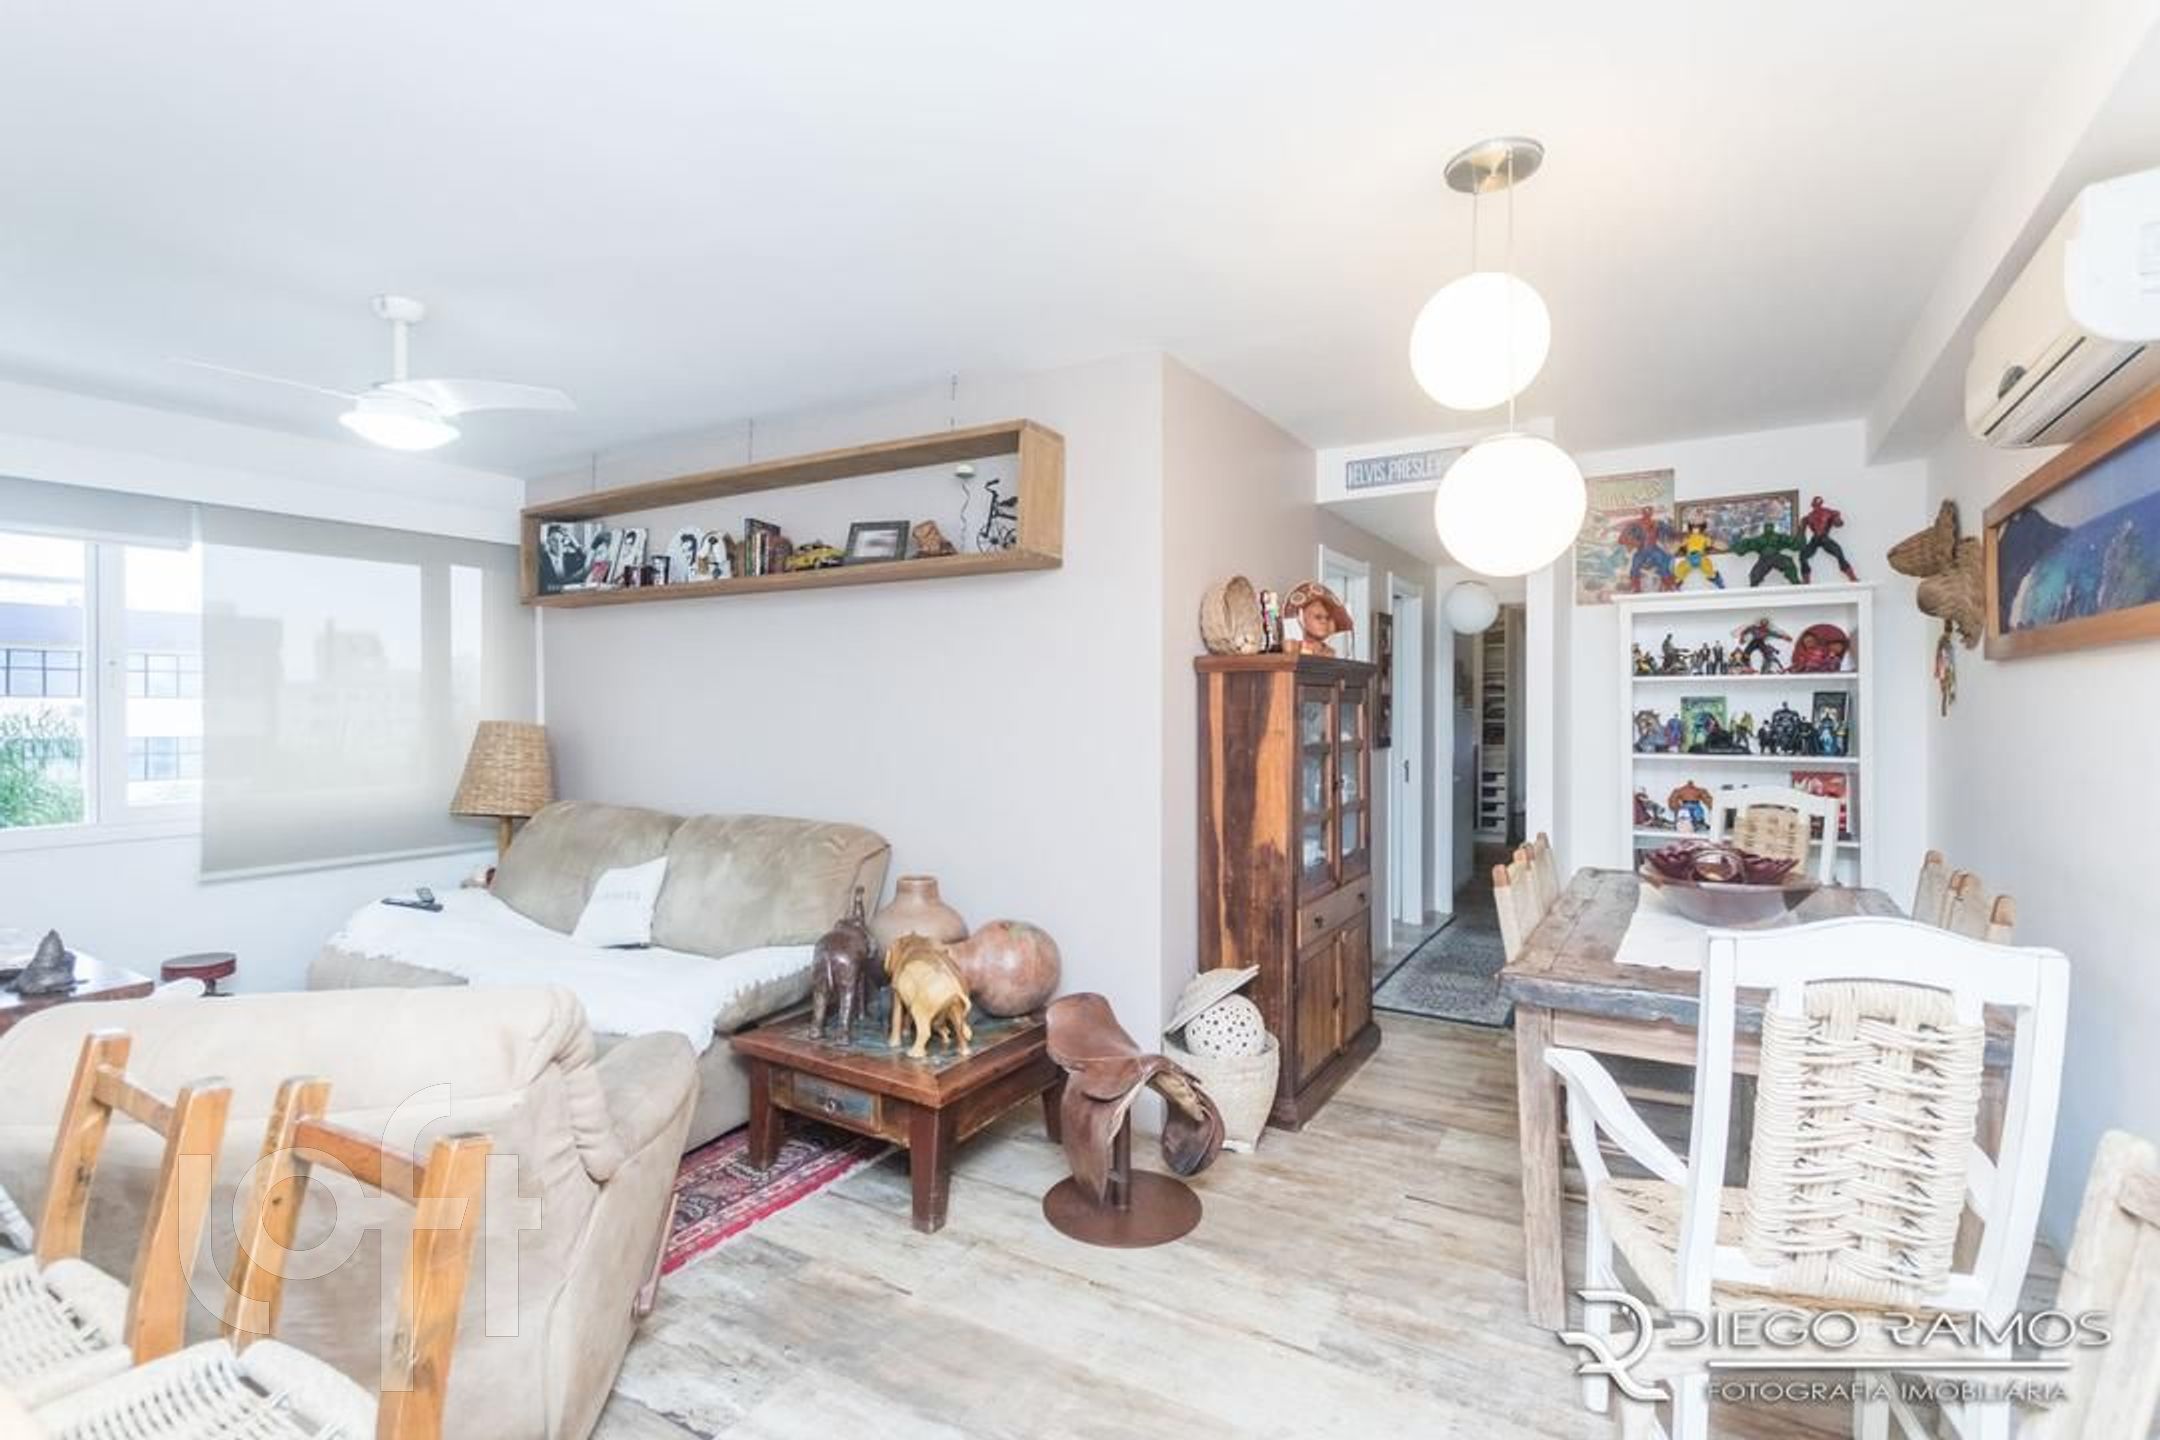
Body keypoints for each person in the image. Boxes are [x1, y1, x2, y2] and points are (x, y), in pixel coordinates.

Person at [1799, 495, 1859, 582]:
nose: (1817, 506)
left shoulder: (1828, 512)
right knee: (1802, 555)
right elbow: (1801, 533)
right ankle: (1806, 581)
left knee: (1839, 553)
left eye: (1818, 503)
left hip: (1824, 538)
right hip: (1815, 539)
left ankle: (1852, 577)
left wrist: (1836, 517)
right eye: (1815, 504)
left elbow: (1839, 524)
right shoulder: (1809, 517)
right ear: (1812, 505)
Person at [1670, 520, 1726, 589]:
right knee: (1682, 568)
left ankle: (1716, 579)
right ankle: (1676, 582)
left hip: (1700, 556)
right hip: (1690, 557)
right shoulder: (1688, 538)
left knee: (1707, 567)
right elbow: (1682, 545)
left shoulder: (1704, 537)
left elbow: (1709, 544)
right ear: (1691, 528)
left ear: (1701, 528)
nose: (1695, 529)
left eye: (1697, 527)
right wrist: (1680, 548)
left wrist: (1710, 545)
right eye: (1694, 527)